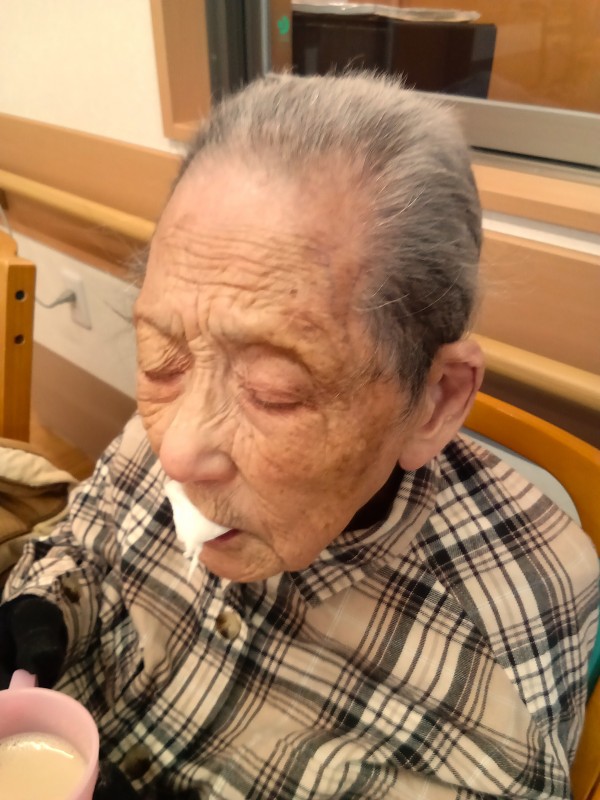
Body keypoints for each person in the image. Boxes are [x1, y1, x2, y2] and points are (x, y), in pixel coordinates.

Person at [0, 72, 598, 800]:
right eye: (161, 358)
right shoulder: (182, 413)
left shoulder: (493, 666)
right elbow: (81, 546)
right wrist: (39, 611)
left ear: (436, 400)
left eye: (273, 392)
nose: (176, 452)